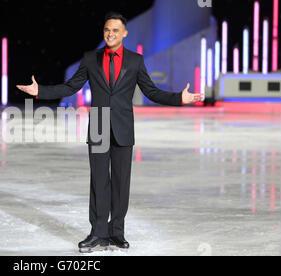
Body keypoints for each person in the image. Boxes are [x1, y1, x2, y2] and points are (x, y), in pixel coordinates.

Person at [17, 12, 202, 253]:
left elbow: (152, 92)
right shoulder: (90, 59)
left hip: (124, 128)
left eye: (115, 30)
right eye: (107, 30)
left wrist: (179, 97)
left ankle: (117, 233)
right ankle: (98, 233)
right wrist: (40, 91)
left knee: (121, 183)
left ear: (124, 33)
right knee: (99, 182)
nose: (110, 34)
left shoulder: (135, 61)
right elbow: (71, 86)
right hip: (99, 126)